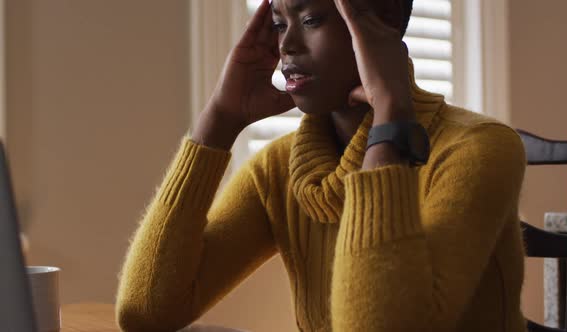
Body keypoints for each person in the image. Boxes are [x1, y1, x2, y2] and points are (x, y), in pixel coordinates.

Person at [115, 0, 527, 331]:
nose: (287, 46)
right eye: (279, 23)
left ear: (384, 22)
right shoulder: (279, 169)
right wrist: (218, 122)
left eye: (310, 18)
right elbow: (146, 311)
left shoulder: (478, 148)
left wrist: (390, 118)